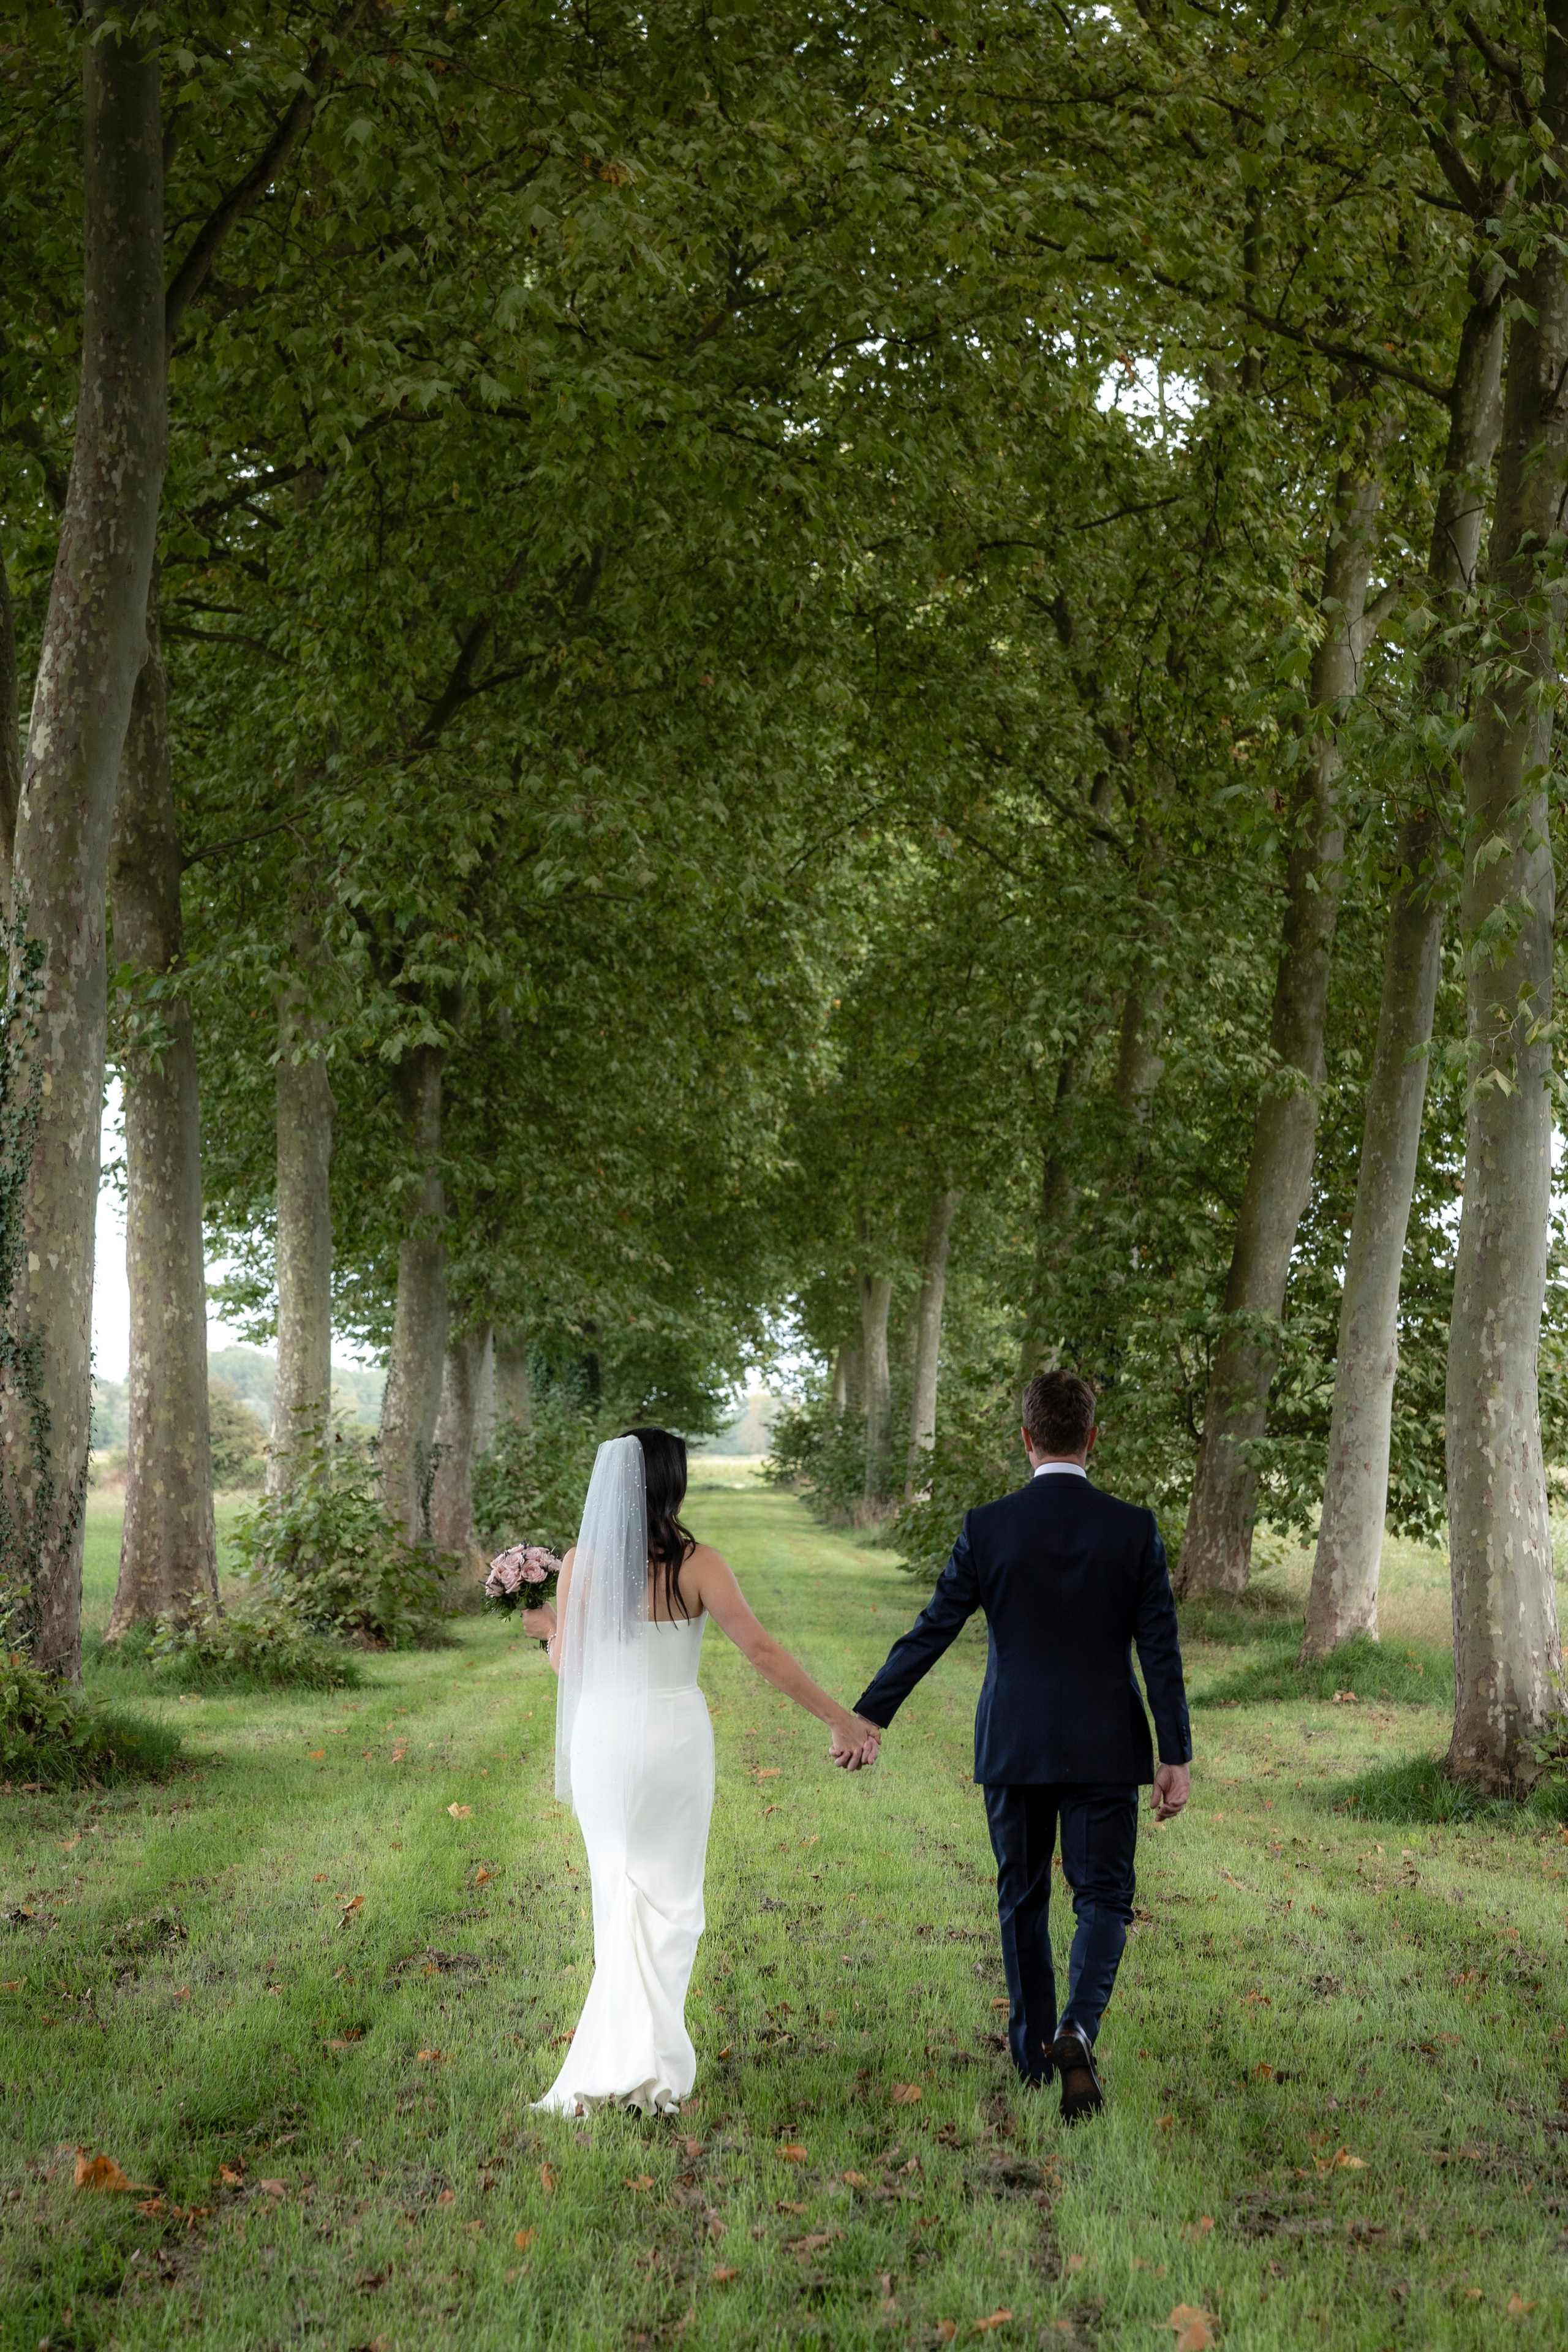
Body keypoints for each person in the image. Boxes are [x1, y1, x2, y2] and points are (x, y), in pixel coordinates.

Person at [846, 1370, 1191, 2122]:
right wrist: (1175, 1753)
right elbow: (1158, 1650)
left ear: (1026, 1439)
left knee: (1022, 1895)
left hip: (1014, 1742)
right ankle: (1079, 2027)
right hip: (1106, 1743)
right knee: (1104, 1896)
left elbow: (934, 1628)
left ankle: (1037, 2054)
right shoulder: (1133, 1527)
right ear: (1092, 1439)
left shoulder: (988, 1525)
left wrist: (872, 1714)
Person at [522, 1427, 878, 2114]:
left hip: (603, 1737)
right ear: (672, 1484)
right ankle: (650, 2067)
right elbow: (763, 1654)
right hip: (674, 1738)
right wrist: (839, 1717)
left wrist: (548, 1633)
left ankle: (622, 2058)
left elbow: (569, 1668)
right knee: (669, 1900)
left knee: (616, 1889)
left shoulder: (579, 1563)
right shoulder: (699, 1564)